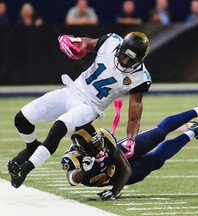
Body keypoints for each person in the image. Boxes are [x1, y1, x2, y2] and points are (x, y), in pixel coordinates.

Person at [7, 31, 151, 189]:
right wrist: (72, 41)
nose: (123, 60)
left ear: (139, 60)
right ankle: (32, 147)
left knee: (58, 129)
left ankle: (25, 169)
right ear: (120, 47)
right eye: (123, 54)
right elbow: (86, 43)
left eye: (130, 59)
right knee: (22, 118)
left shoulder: (140, 77)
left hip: (91, 106)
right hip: (72, 90)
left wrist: (131, 139)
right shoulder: (111, 42)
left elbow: (134, 114)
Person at [61, 102, 198, 200]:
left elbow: (125, 166)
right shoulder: (72, 159)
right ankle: (193, 131)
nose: (99, 146)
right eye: (94, 145)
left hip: (123, 159)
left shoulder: (104, 138)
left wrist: (114, 193)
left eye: (99, 142)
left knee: (158, 133)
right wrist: (83, 169)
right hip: (120, 177)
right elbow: (72, 180)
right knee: (157, 159)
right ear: (82, 148)